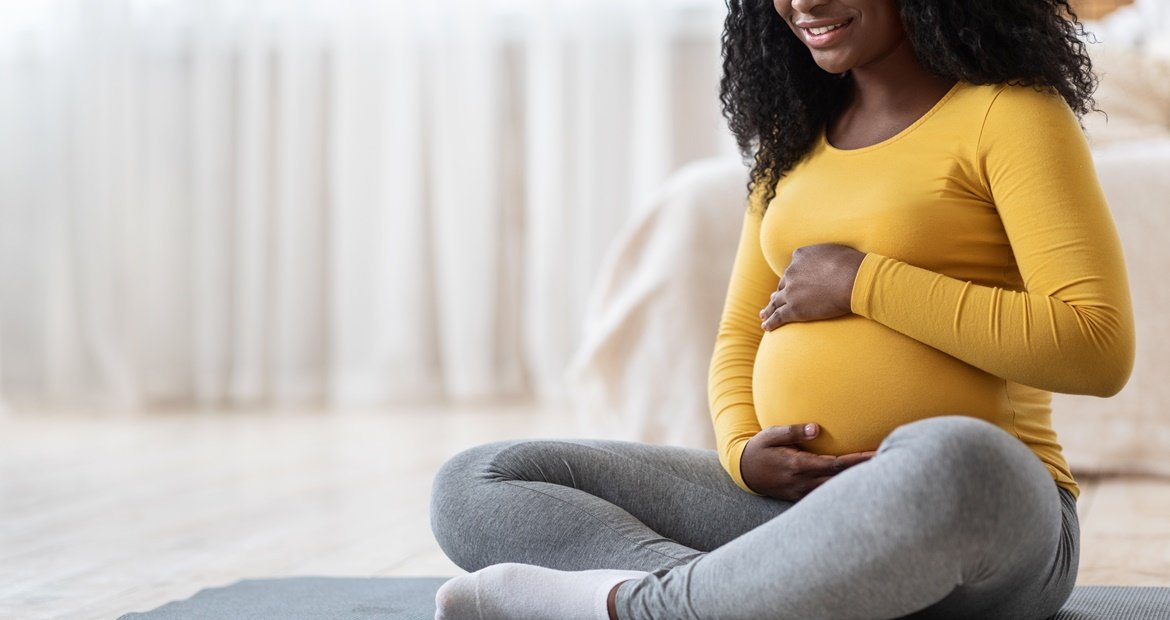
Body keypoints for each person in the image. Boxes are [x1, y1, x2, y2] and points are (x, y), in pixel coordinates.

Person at [429, 0, 1135, 618]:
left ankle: (644, 607)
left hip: (981, 520)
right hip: (791, 514)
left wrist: (864, 281)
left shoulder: (1010, 115)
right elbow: (740, 333)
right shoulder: (791, 145)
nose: (805, 2)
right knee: (478, 482)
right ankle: (767, 596)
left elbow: (1096, 345)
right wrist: (740, 453)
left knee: (953, 455)